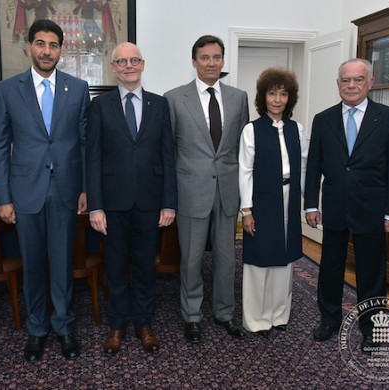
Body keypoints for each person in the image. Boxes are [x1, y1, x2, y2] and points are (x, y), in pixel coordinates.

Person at [0, 19, 90, 361]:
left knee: (62, 262)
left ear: (61, 49)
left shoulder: (78, 88)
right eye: (40, 44)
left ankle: (63, 326)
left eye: (53, 45)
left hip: (65, 190)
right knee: (32, 263)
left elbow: (84, 142)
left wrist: (86, 189)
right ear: (29, 47)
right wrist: (2, 197)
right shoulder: (6, 90)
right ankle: (36, 328)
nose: (47, 51)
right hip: (25, 191)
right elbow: (0, 146)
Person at [304, 58, 389, 352]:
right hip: (335, 207)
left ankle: (371, 329)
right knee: (330, 267)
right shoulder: (323, 119)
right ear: (338, 84)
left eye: (358, 80)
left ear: (370, 83)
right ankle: (329, 319)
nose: (351, 86)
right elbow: (313, 167)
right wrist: (311, 204)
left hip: (373, 210)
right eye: (345, 80)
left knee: (371, 272)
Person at [86, 42, 177, 355]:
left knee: (144, 266)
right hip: (111, 205)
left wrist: (169, 202)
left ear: (142, 64)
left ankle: (143, 323)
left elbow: (168, 156)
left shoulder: (159, 105)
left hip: (150, 203)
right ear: (113, 67)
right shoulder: (99, 106)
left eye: (133, 60)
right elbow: (93, 158)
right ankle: (116, 325)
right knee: (114, 267)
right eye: (121, 61)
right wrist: (95, 206)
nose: (128, 66)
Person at [164, 35, 249, 343]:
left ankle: (225, 313)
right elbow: (169, 150)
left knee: (227, 258)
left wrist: (246, 196)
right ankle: (192, 316)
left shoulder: (239, 98)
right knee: (191, 258)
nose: (211, 63)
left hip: (227, 191)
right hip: (191, 191)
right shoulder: (174, 98)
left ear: (223, 61)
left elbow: (243, 148)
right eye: (205, 57)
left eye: (216, 57)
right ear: (194, 61)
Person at [238, 68, 308, 336]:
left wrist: (305, 203)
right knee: (259, 261)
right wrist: (247, 210)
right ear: (263, 97)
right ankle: (256, 319)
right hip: (262, 200)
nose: (277, 99)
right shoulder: (251, 130)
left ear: (289, 97)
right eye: (272, 93)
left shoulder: (296, 128)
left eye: (283, 93)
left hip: (289, 199)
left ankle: (279, 315)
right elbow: (244, 171)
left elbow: (301, 165)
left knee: (284, 259)